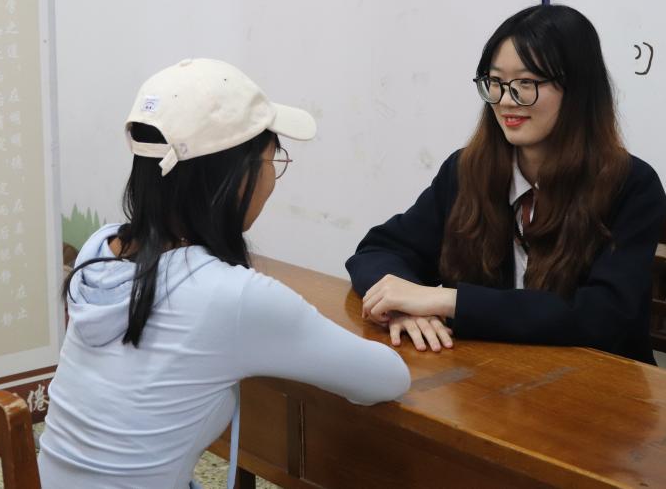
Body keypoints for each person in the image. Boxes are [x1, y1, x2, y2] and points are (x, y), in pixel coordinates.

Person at [38, 58, 410, 489]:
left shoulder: (100, 248)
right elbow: (386, 379)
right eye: (272, 160)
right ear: (235, 179)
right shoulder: (230, 297)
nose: (272, 179)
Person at [347, 5, 666, 364]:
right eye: (496, 82)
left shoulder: (631, 186)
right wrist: (403, 308)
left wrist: (446, 300)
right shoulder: (466, 170)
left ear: (578, 89)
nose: (504, 100)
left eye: (526, 83)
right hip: (489, 374)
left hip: (596, 382)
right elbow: (378, 251)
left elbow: (602, 316)